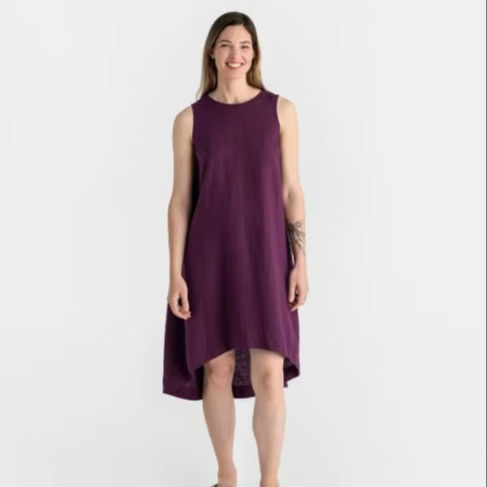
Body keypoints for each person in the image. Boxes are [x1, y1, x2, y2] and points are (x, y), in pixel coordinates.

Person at [162, 11, 309, 487]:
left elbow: (291, 190)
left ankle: (270, 480)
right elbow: (180, 201)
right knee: (218, 369)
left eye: (245, 46)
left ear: (255, 53)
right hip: (209, 259)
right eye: (226, 44)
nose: (235, 54)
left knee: (269, 374)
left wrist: (300, 262)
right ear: (212, 51)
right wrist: (175, 273)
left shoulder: (281, 111)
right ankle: (226, 476)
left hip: (267, 257)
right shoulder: (190, 120)